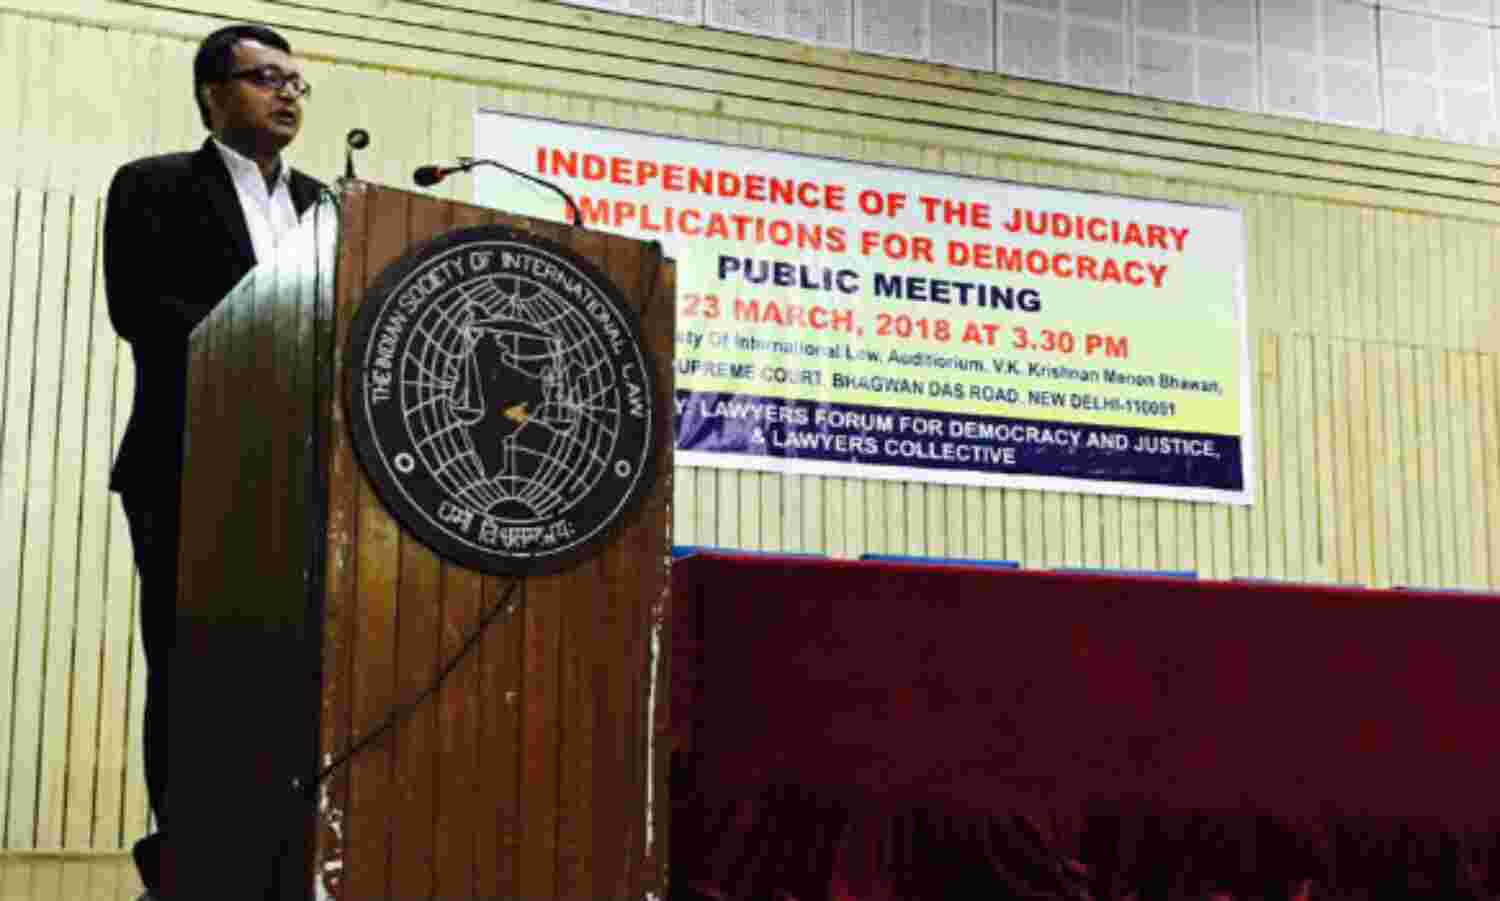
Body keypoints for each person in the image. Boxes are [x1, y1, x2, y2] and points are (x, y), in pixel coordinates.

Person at [103, 23, 324, 900]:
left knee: (290, 671)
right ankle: (189, 858)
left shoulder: (326, 204)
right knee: (190, 666)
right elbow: (140, 309)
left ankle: (278, 852)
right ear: (211, 94)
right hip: (185, 464)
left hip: (304, 477)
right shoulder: (152, 184)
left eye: (297, 82)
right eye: (267, 78)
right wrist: (272, 333)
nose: (287, 94)